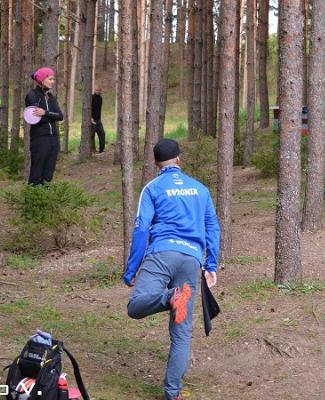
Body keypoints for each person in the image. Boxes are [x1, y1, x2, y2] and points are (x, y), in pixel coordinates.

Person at [123, 138, 220, 400]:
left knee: (135, 306)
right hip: (191, 261)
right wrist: (210, 264)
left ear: (156, 163)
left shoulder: (152, 189)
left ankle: (168, 297)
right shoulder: (200, 189)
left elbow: (142, 228)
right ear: (179, 158)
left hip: (161, 256)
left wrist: (131, 268)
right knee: (182, 332)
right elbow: (212, 226)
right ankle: (172, 393)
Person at [25, 67, 63, 185]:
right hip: (40, 138)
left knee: (48, 173)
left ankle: (45, 200)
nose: (53, 81)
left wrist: (45, 113)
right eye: (50, 79)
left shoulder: (51, 97)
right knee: (37, 173)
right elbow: (35, 118)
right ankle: (32, 200)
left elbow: (60, 116)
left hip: (54, 138)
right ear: (42, 80)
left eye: (53, 79)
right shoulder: (32, 95)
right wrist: (50, 115)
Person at [91, 87, 105, 153]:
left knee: (102, 134)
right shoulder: (91, 97)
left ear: (100, 91)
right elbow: (89, 108)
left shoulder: (100, 98)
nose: (97, 91)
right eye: (96, 90)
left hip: (98, 120)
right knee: (91, 135)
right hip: (92, 120)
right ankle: (90, 150)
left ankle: (101, 150)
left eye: (98, 90)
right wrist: (90, 118)